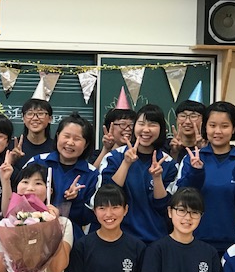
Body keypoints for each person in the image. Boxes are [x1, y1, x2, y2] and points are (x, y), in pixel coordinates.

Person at [171, 101, 235, 256]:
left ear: (234, 129)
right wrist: (195, 172)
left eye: (224, 126)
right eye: (212, 125)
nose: (217, 131)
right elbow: (179, 200)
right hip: (195, 242)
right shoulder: (192, 159)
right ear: (205, 127)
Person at [100, 104, 178, 245]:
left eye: (152, 124)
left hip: (156, 240)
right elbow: (107, 196)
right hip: (119, 238)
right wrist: (126, 163)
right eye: (141, 124)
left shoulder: (168, 163)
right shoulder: (114, 157)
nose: (146, 129)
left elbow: (164, 208)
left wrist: (157, 178)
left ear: (161, 129)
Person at [27, 112, 99, 241]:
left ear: (86, 144)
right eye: (66, 136)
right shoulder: (38, 162)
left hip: (71, 239)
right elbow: (18, 198)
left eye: (77, 139)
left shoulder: (92, 174)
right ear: (57, 136)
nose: (70, 142)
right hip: (32, 234)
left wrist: (75, 200)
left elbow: (90, 217)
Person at [13, 98, 55, 172]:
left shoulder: (56, 148)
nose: (35, 118)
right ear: (23, 118)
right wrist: (12, 160)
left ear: (50, 119)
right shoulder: (13, 147)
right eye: (30, 114)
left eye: (40, 114)